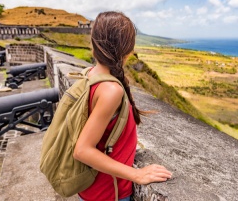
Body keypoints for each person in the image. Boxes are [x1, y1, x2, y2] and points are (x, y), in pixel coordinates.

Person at [73, 11, 172, 201]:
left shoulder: (90, 74)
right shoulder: (110, 90)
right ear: (128, 50)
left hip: (93, 190)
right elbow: (82, 150)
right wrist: (137, 174)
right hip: (108, 193)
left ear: (93, 45)